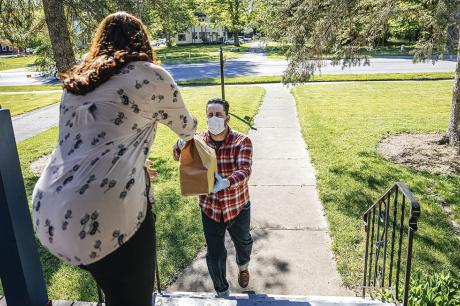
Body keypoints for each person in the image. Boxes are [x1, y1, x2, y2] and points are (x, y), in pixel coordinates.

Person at [31, 12, 197, 306]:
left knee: (110, 285)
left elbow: (92, 141)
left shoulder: (80, 78)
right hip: (103, 214)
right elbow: (187, 127)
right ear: (142, 40)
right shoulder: (150, 74)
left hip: (49, 213)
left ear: (100, 41)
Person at [173, 98, 253, 298]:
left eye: (218, 115)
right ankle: (222, 291)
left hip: (237, 206)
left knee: (243, 243)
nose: (214, 118)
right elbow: (177, 155)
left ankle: (243, 266)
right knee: (215, 255)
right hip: (210, 209)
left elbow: (244, 170)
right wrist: (180, 143)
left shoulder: (242, 141)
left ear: (227, 116)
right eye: (210, 115)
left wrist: (225, 183)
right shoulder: (198, 140)